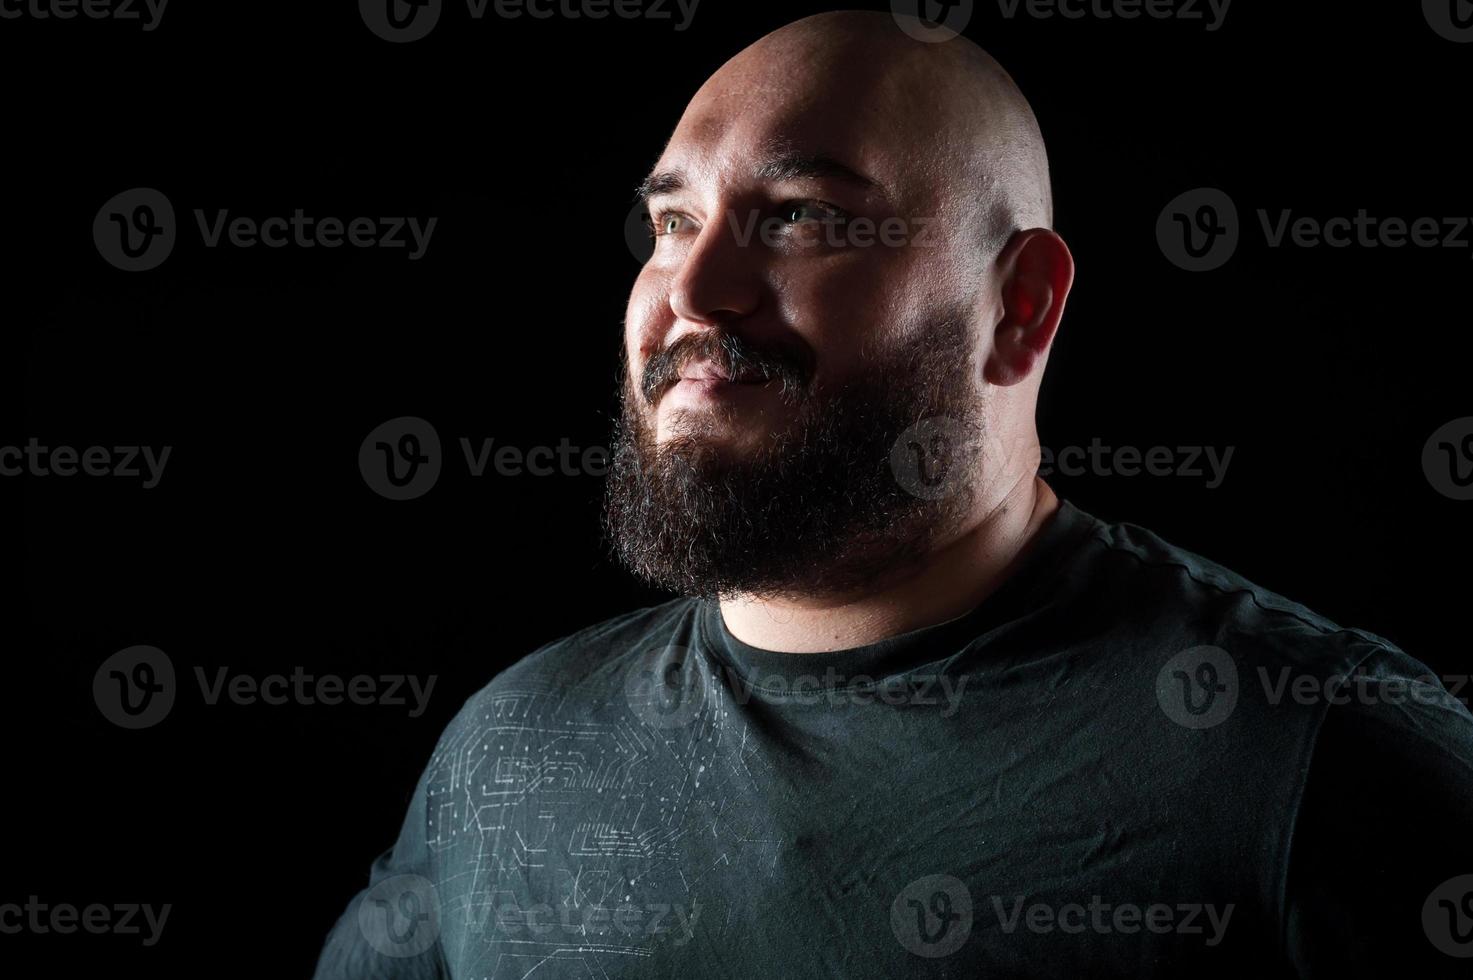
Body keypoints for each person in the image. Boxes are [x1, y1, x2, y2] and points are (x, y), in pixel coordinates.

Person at [314, 11, 1473, 977]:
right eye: (671, 223)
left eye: (803, 219)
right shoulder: (512, 749)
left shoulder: (1314, 754)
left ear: (1018, 306)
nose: (697, 292)